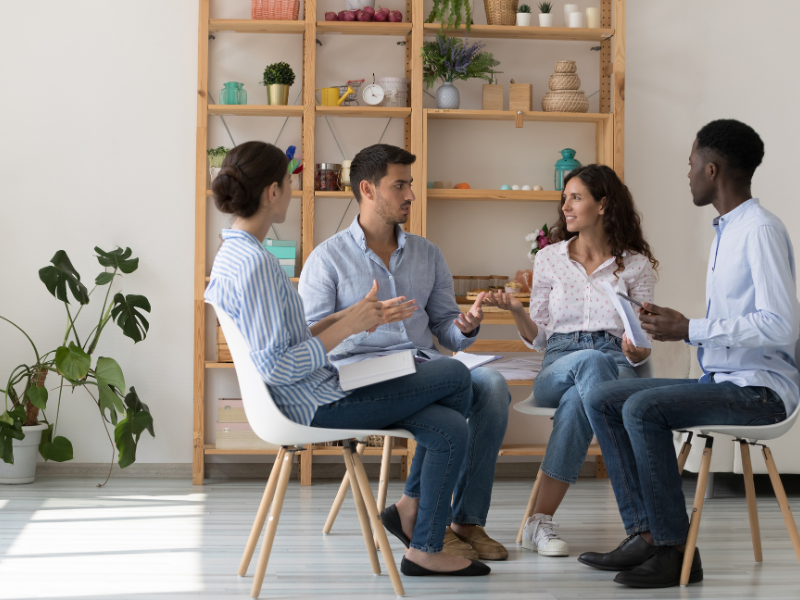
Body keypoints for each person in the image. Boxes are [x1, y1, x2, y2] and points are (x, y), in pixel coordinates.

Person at [204, 141, 490, 577]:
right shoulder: (257, 265)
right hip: (313, 401)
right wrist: (349, 327)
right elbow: (277, 366)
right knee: (453, 373)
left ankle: (422, 547)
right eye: (289, 182)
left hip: (315, 392)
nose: (294, 190)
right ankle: (418, 523)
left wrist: (351, 316)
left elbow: (288, 338)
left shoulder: (237, 254)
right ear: (272, 193)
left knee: (449, 427)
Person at [579, 119, 799, 588]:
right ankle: (647, 534)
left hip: (762, 392)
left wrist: (691, 328)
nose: (688, 173)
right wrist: (678, 326)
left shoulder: (759, 230)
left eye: (692, 163)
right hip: (725, 381)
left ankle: (677, 553)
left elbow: (781, 325)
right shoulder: (728, 231)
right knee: (604, 398)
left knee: (642, 406)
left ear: (713, 169)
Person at [299, 144, 511, 562]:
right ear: (368, 190)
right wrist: (360, 321)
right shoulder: (326, 258)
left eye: (410, 185)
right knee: (459, 384)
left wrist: (464, 327)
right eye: (399, 185)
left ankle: (464, 520)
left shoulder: (427, 254)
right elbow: (312, 341)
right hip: (365, 376)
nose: (410, 195)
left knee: (493, 386)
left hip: (422, 365)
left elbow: (445, 331)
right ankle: (424, 514)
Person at [483, 164, 658, 557]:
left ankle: (538, 522)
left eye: (576, 197)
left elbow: (642, 345)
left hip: (615, 362)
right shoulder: (549, 259)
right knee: (588, 366)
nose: (565, 206)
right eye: (564, 198)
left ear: (603, 204)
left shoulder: (635, 266)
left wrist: (636, 350)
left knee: (583, 396)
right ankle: (642, 525)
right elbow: (540, 338)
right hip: (559, 361)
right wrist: (516, 311)